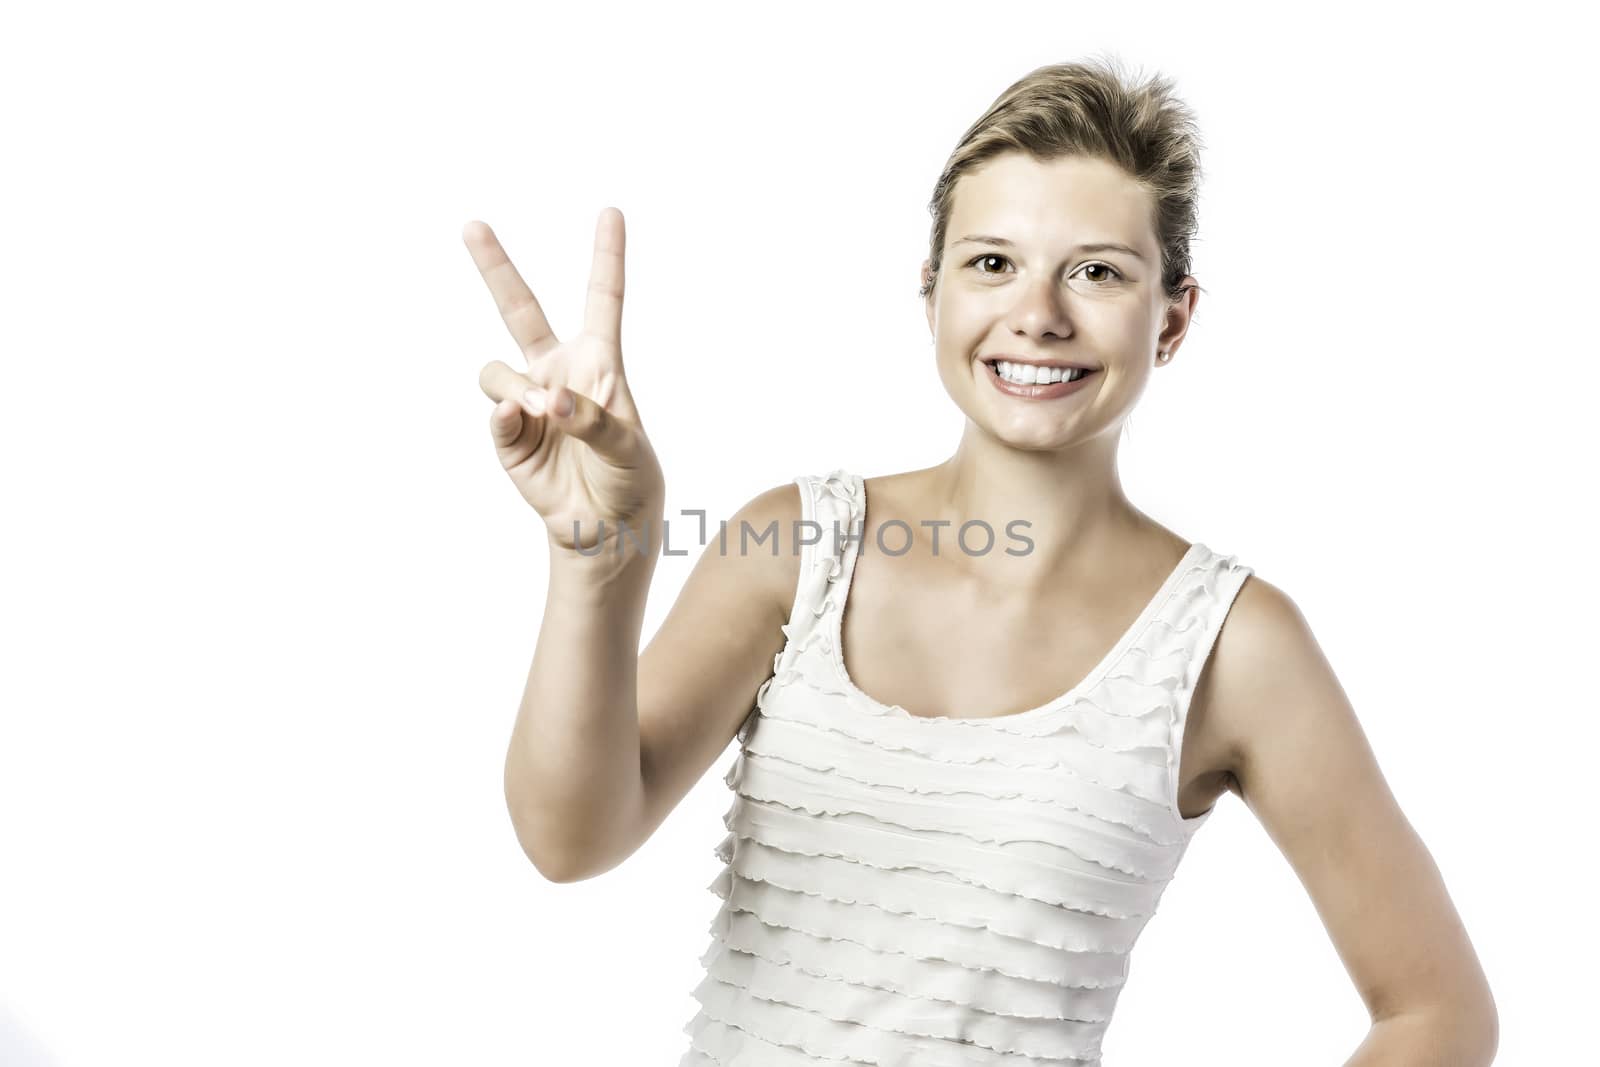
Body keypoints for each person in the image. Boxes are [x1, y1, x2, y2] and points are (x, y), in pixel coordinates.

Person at [465, 54, 1496, 1067]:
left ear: (1172, 317)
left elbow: (1435, 1010)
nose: (1038, 313)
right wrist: (595, 561)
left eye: (1096, 271)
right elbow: (570, 838)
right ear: (932, 291)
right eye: (992, 261)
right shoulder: (795, 547)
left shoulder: (1232, 645)